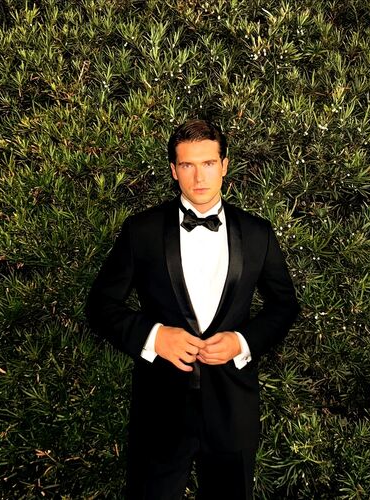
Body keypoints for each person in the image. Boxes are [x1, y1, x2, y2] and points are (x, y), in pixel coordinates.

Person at [86, 119, 300, 499]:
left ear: (224, 165)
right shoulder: (141, 230)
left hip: (232, 408)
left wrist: (241, 342)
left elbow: (284, 305)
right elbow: (100, 305)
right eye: (187, 165)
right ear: (174, 170)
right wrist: (154, 337)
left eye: (208, 163)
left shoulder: (257, 233)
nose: (199, 177)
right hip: (160, 410)